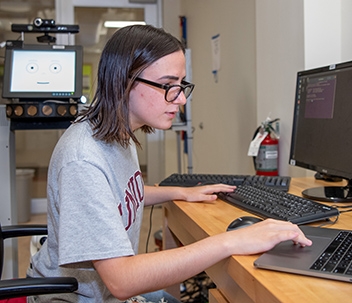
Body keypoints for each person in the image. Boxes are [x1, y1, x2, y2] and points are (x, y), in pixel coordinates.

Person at [27, 24, 312, 303]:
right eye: (167, 85)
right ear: (124, 82)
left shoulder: (117, 133)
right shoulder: (83, 158)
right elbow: (122, 280)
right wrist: (231, 242)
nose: (180, 99)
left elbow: (114, 193)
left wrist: (177, 192)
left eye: (181, 85)